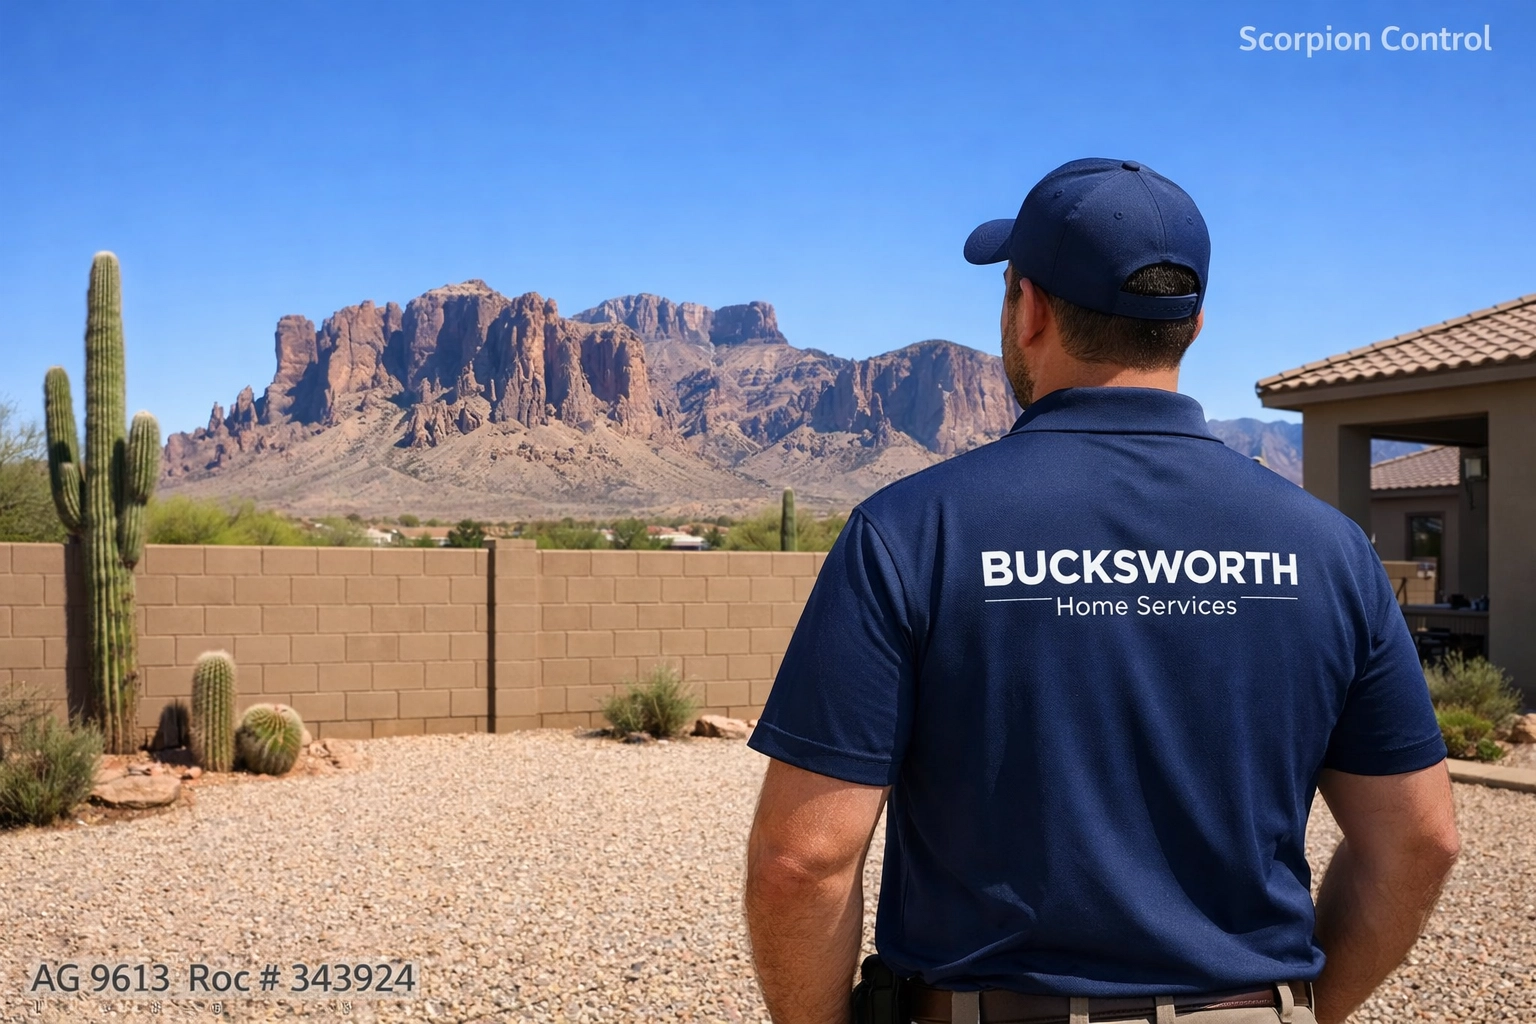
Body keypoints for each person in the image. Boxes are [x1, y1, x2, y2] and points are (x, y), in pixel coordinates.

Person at [743, 158, 1458, 1024]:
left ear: (1029, 307)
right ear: (1192, 324)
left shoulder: (913, 532)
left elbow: (803, 862)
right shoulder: (1330, 550)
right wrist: (1296, 1010)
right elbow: (1419, 839)